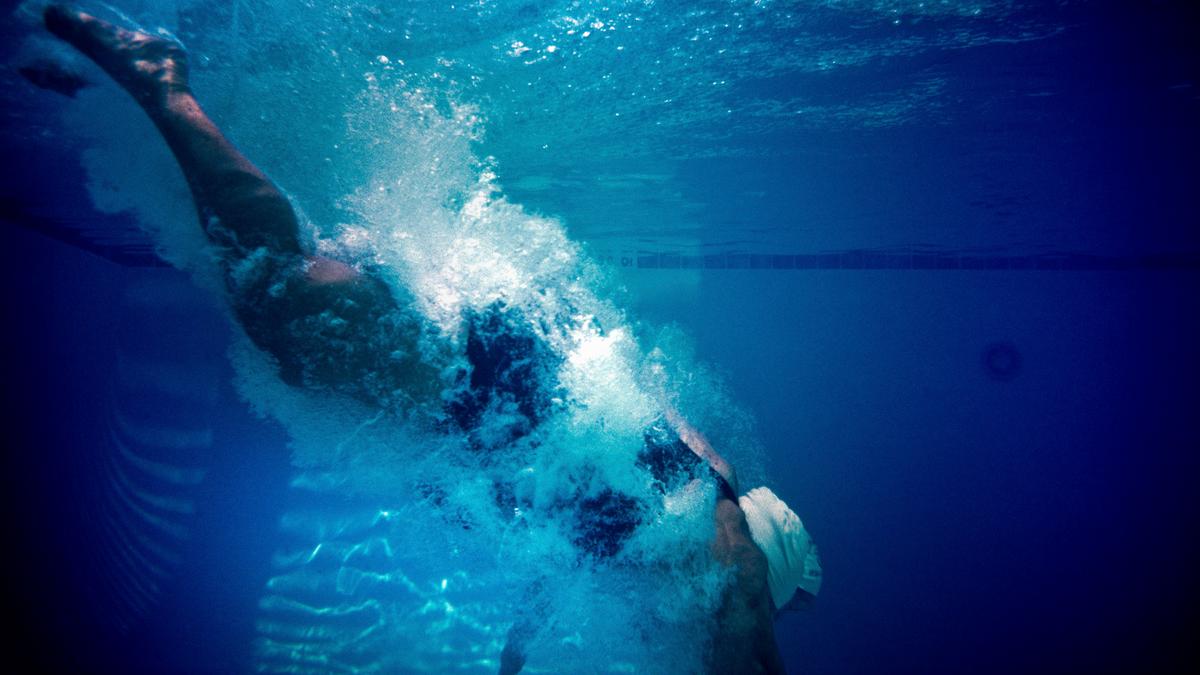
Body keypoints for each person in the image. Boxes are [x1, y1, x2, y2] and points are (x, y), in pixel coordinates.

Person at [38, 5, 821, 672]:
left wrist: (515, 653)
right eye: (751, 599)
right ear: (758, 559)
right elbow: (746, 618)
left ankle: (128, 119)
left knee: (292, 296)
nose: (711, 618)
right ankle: (160, 86)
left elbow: (557, 563)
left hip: (505, 366)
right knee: (280, 299)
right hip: (492, 386)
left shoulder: (677, 506)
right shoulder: (723, 544)